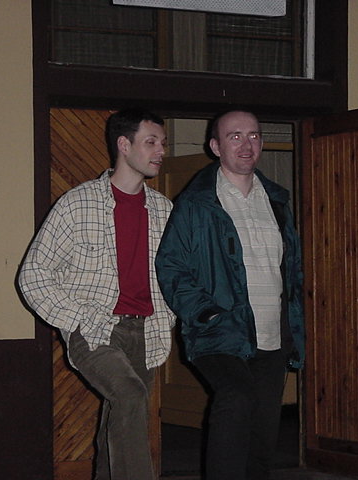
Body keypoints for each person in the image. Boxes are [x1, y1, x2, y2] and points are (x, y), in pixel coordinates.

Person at [18, 108, 176, 480]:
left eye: (163, 143)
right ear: (124, 145)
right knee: (130, 395)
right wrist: (77, 318)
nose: (161, 151)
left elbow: (179, 276)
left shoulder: (165, 210)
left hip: (147, 331)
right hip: (94, 329)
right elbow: (33, 275)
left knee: (122, 415)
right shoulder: (77, 204)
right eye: (151, 142)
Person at [155, 110, 304, 480]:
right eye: (234, 136)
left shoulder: (277, 201)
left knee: (263, 432)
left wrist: (296, 320)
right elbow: (170, 265)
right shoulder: (196, 203)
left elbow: (292, 267)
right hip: (219, 331)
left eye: (253, 135)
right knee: (236, 398)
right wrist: (204, 312)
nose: (246, 144)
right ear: (215, 146)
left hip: (272, 336)